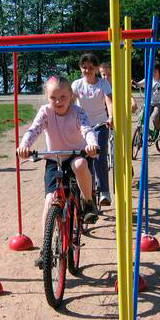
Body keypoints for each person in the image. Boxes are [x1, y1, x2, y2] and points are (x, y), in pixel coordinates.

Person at [17, 76, 99, 268]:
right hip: (55, 159)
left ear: (71, 96)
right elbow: (34, 130)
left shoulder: (78, 112)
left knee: (80, 166)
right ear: (47, 97)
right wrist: (24, 146)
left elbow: (87, 129)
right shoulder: (45, 112)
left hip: (78, 154)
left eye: (63, 97)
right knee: (49, 200)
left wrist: (92, 144)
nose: (58, 101)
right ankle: (46, 248)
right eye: (53, 97)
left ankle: (87, 202)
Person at [72, 53, 113, 206]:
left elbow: (109, 101)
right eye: (84, 68)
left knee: (99, 156)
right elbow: (69, 103)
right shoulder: (76, 85)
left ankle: (103, 191)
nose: (87, 71)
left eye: (91, 68)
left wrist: (111, 117)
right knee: (82, 159)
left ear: (96, 68)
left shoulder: (103, 84)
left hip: (100, 125)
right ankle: (85, 193)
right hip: (82, 126)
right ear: (80, 68)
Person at [135, 65, 160, 139]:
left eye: (155, 71)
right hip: (150, 103)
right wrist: (134, 83)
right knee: (140, 118)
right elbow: (139, 84)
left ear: (159, 72)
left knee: (154, 117)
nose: (153, 73)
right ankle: (141, 137)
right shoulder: (148, 79)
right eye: (152, 71)